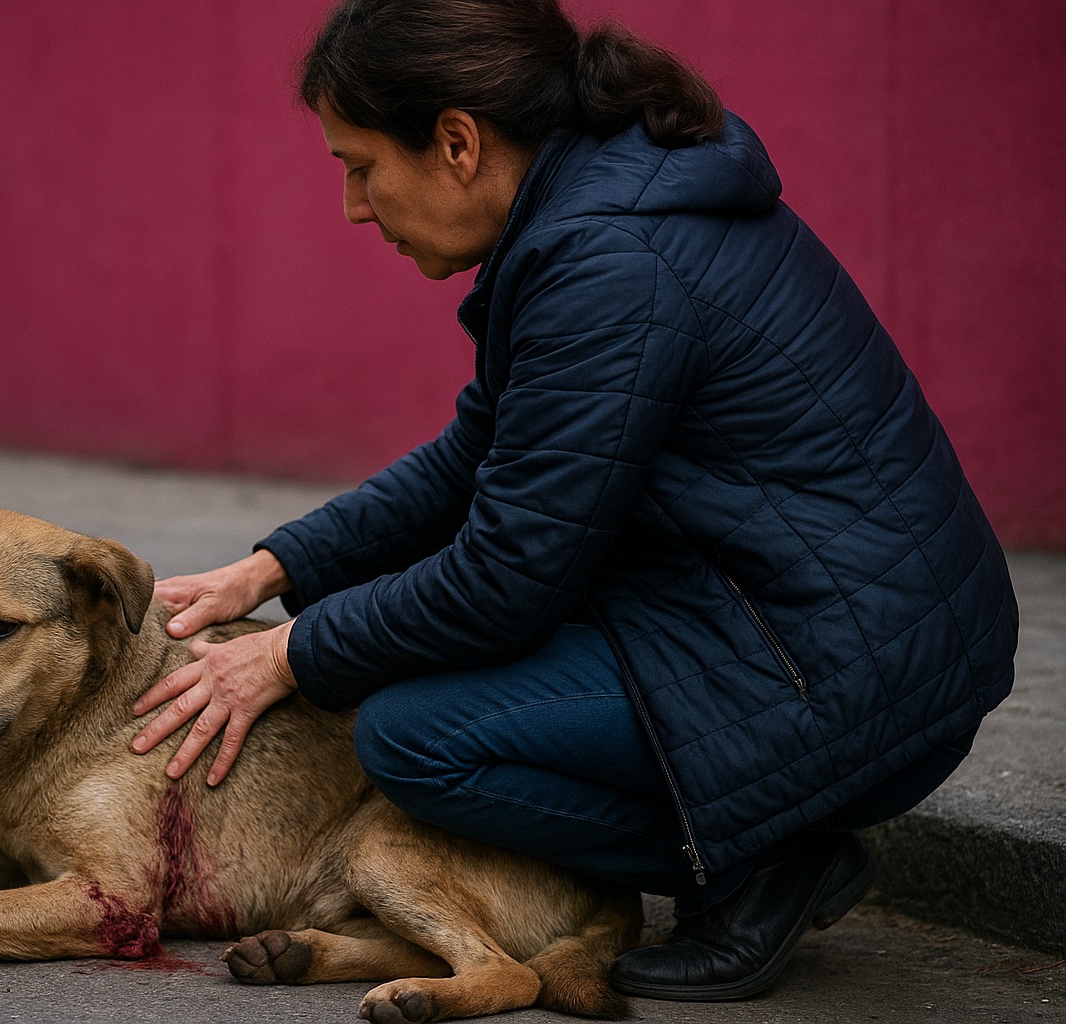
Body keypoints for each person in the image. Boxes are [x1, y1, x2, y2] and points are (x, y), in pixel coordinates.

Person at [129, 0, 1018, 1002]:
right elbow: (478, 454)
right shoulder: (593, 210)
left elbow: (506, 578)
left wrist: (289, 653)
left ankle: (762, 858)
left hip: (853, 663)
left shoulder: (609, 262)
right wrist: (278, 566)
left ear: (458, 141)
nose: (355, 206)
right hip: (818, 622)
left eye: (361, 164)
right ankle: (764, 838)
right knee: (421, 678)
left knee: (412, 738)